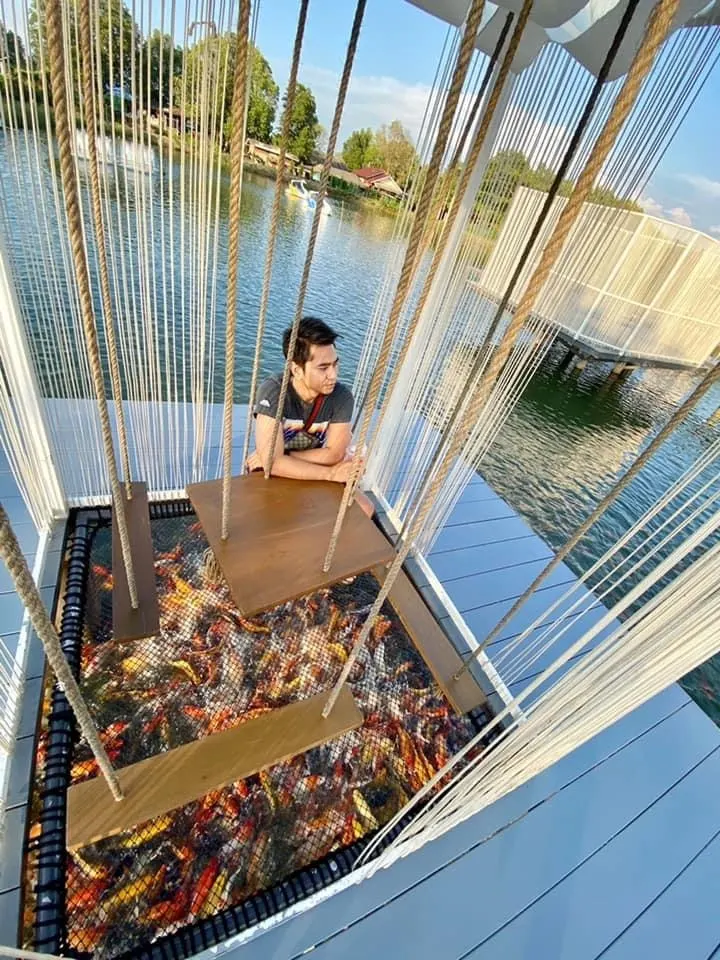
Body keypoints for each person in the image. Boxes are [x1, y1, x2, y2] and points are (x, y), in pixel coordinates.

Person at [247, 316, 374, 517]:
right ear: (297, 370)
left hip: (314, 467)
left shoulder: (341, 397)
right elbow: (273, 465)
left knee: (366, 509)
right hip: (279, 474)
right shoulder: (274, 392)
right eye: (323, 368)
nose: (333, 375)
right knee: (275, 517)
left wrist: (282, 457)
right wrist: (331, 473)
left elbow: (334, 454)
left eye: (335, 365)